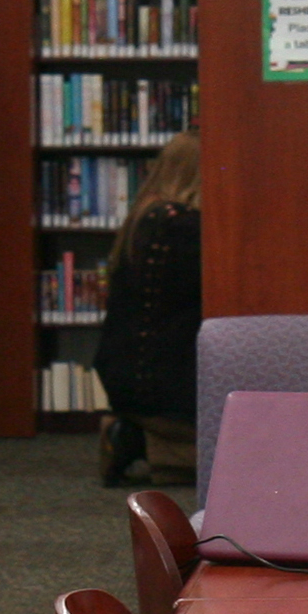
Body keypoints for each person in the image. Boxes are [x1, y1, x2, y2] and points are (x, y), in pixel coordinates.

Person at [92, 130, 201, 487]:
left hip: (129, 375)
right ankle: (140, 440)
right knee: (239, 447)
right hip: (162, 385)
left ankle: (140, 439)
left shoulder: (147, 214)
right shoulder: (183, 226)